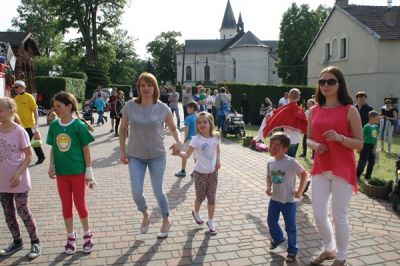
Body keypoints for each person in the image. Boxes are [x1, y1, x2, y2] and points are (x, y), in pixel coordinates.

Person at [307, 66, 363, 266]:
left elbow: (359, 143)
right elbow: (309, 140)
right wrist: (316, 145)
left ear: (340, 84)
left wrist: (340, 138)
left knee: (339, 216)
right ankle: (329, 249)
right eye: (322, 82)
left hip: (343, 168)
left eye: (331, 81)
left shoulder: (350, 110)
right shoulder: (314, 110)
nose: (326, 85)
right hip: (321, 167)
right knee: (319, 214)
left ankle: (341, 257)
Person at [119, 72, 182, 239]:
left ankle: (166, 219)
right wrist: (122, 151)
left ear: (155, 87)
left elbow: (174, 129)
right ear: (138, 88)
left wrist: (179, 142)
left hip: (157, 156)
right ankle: (145, 214)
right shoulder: (129, 106)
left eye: (149, 85)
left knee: (158, 191)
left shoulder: (163, 108)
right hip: (136, 156)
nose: (146, 88)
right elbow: (123, 129)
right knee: (137, 192)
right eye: (142, 85)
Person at [46, 92, 97, 255]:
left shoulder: (78, 126)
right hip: (62, 174)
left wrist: (89, 172)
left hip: (77, 172)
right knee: (66, 206)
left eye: (59, 107)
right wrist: (51, 164)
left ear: (69, 106)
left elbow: (86, 150)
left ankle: (87, 234)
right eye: (54, 107)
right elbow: (54, 147)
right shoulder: (54, 125)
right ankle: (70, 237)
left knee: (80, 205)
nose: (56, 110)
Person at [0, 97, 42, 259]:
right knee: (8, 213)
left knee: (23, 211)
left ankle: (35, 242)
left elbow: (29, 156)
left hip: (19, 179)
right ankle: (17, 241)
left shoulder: (19, 131)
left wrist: (18, 175)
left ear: (11, 111)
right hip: (3, 181)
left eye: (0, 110)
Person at [172, 112, 221, 235]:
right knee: (200, 197)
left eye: (205, 122)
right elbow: (187, 155)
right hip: (199, 173)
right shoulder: (196, 139)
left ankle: (210, 221)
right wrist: (178, 153)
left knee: (211, 198)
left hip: (213, 173)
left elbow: (217, 148)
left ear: (211, 123)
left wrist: (218, 161)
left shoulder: (216, 136)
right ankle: (196, 212)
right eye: (199, 122)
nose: (202, 124)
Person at [266, 132, 307, 263]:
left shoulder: (290, 162)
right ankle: (278, 238)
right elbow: (269, 176)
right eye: (271, 145)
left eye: (276, 146)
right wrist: (268, 187)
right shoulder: (270, 162)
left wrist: (300, 191)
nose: (272, 148)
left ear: (285, 149)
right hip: (274, 199)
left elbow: (304, 174)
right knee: (271, 221)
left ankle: (292, 251)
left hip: (288, 201)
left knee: (291, 227)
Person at [13, 80, 46, 165]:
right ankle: (23, 159)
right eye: (15, 87)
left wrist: (36, 123)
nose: (15, 89)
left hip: (30, 125)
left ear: (23, 88)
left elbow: (35, 111)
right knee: (22, 143)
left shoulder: (29, 97)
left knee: (34, 143)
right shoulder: (16, 98)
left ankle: (41, 157)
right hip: (20, 126)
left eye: (17, 87)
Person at [175, 101, 198, 177]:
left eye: (188, 108)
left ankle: (183, 171)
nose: (187, 110)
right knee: (196, 156)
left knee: (184, 154)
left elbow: (186, 128)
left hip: (190, 139)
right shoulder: (198, 117)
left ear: (192, 108)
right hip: (197, 139)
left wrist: (185, 138)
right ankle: (196, 171)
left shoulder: (188, 118)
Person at [356, 110, 380, 181]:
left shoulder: (376, 127)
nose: (378, 120)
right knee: (363, 162)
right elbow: (361, 137)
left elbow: (376, 138)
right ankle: (357, 175)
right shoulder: (366, 127)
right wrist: (359, 148)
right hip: (365, 146)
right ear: (371, 118)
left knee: (372, 162)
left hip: (372, 146)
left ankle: (368, 176)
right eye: (377, 118)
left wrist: (375, 148)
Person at [284, 88, 303, 158]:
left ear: (288, 96)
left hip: (286, 138)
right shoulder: (300, 111)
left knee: (285, 159)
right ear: (299, 98)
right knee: (291, 158)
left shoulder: (285, 109)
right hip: (296, 138)